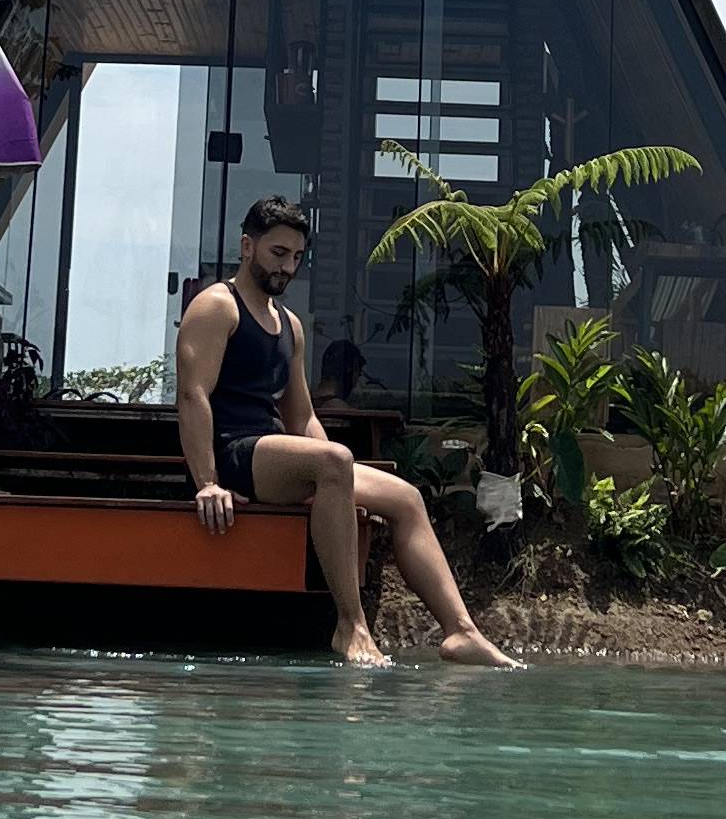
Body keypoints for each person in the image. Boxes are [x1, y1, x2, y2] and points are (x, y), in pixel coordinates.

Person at [178, 199, 516, 668]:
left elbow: (302, 417)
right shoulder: (217, 305)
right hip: (231, 455)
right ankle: (351, 626)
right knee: (334, 461)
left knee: (406, 498)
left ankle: (462, 632)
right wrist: (208, 483)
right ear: (247, 246)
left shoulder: (289, 325)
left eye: (297, 257)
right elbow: (192, 395)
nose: (287, 267)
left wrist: (337, 479)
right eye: (278, 253)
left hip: (273, 454)